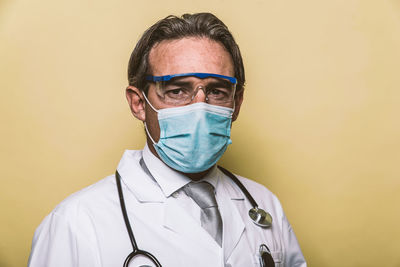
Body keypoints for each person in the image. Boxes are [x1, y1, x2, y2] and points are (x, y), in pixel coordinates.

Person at [28, 13, 306, 267]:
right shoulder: (75, 223)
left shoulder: (264, 205)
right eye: (176, 91)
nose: (199, 107)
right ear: (139, 103)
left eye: (217, 91)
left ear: (236, 103)